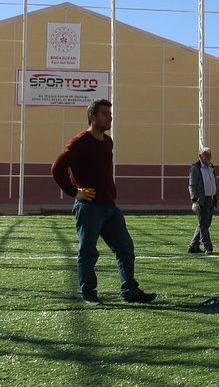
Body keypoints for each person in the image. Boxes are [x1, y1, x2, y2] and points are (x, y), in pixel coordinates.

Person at [51, 98, 157, 307]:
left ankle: (129, 290)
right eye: (105, 114)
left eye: (110, 114)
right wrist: (75, 192)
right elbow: (57, 168)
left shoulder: (108, 142)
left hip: (110, 207)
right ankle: (88, 293)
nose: (110, 117)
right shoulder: (79, 141)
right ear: (92, 117)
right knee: (88, 252)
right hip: (89, 208)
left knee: (125, 248)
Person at [187, 146, 219, 254]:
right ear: (200, 156)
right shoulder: (195, 169)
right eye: (206, 155)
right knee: (204, 225)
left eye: (210, 155)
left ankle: (194, 246)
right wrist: (194, 200)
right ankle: (207, 247)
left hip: (211, 199)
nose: (208, 158)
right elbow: (192, 186)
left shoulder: (211, 167)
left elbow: (216, 183)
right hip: (202, 201)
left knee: (204, 224)